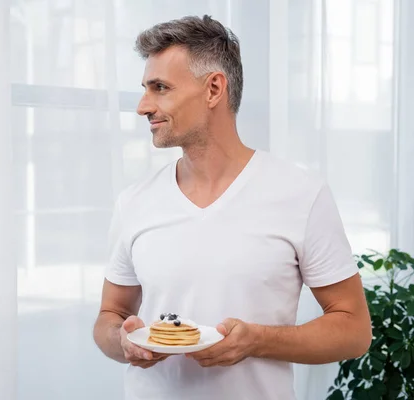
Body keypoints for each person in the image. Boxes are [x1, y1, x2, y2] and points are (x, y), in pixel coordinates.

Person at [92, 15, 372, 400]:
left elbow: (354, 331)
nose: (143, 106)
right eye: (145, 89)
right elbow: (110, 317)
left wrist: (257, 341)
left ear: (213, 89)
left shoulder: (301, 194)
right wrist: (121, 341)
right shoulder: (134, 202)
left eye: (160, 88)